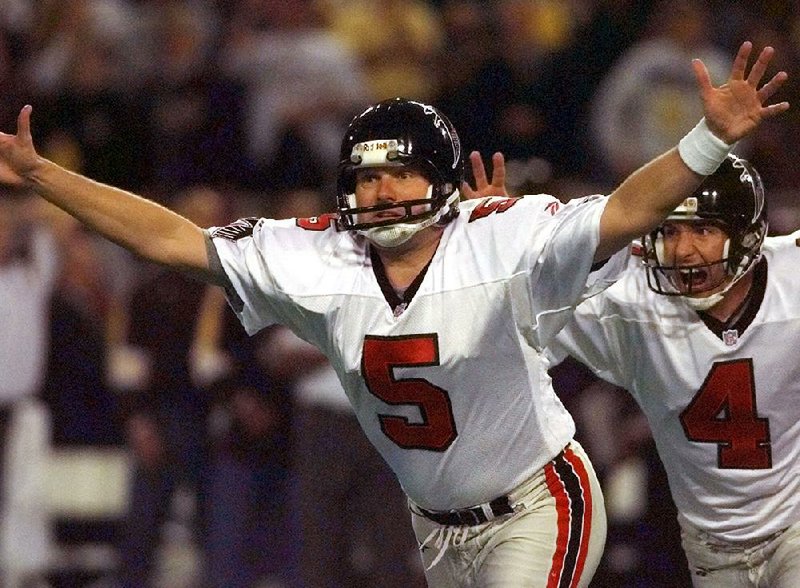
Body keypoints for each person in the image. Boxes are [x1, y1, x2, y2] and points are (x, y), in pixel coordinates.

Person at [0, 41, 788, 587]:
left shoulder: (501, 237)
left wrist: (709, 138)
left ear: (444, 182)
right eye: (367, 181)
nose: (380, 196)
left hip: (541, 501)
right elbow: (172, 239)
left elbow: (620, 214)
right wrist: (45, 177)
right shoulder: (314, 257)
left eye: (401, 177)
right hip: (435, 524)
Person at [542, 152, 800, 587]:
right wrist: (512, 257)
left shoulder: (791, 280)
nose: (683, 250)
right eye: (671, 230)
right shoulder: (630, 304)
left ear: (748, 235)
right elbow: (527, 319)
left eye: (703, 229)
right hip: (708, 546)